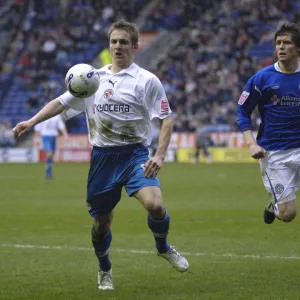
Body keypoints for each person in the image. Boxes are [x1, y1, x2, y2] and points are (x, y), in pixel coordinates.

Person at [13, 19, 189, 291]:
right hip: (103, 159)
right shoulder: (92, 79)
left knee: (155, 204)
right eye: (114, 41)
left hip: (135, 155)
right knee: (102, 224)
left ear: (135, 46)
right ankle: (104, 268)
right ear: (109, 45)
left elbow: (166, 119)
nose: (118, 46)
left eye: (123, 42)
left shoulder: (147, 81)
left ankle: (163, 247)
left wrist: (160, 155)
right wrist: (31, 121)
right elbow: (60, 103)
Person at [237, 22, 300, 225]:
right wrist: (252, 144)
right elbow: (243, 112)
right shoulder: (262, 79)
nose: (280, 47)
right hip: (275, 153)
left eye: (287, 43)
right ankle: (274, 206)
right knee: (288, 214)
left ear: (298, 48)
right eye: (278, 43)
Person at [34, 114, 69, 179]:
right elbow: (38, 127)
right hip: (45, 136)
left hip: (54, 136)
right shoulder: (43, 115)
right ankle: (48, 171)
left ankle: (49, 172)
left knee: (52, 155)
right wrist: (37, 138)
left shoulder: (57, 116)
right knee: (49, 153)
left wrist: (65, 134)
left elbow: (61, 126)